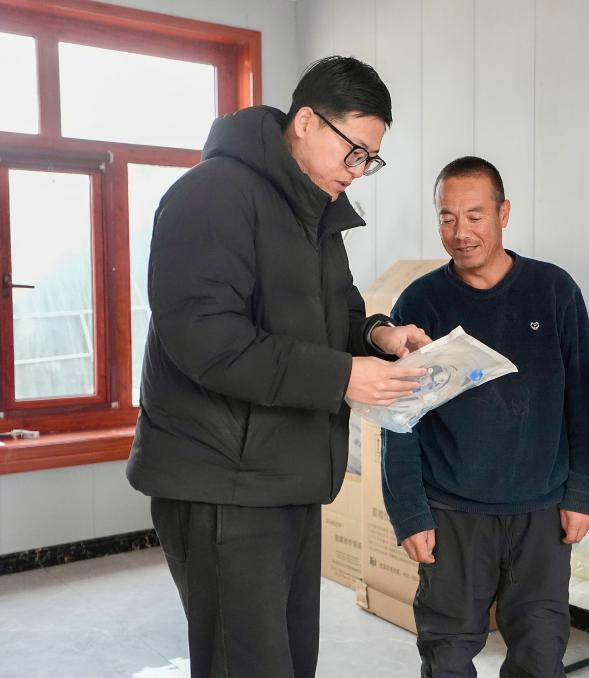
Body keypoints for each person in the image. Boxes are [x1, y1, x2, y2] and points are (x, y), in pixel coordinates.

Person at [126, 56, 430, 678]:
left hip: (287, 474)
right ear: (307, 122)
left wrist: (379, 335)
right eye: (353, 151)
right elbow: (207, 341)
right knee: (244, 663)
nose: (359, 170)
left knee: (289, 661)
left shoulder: (314, 212)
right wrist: (343, 376)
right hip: (222, 482)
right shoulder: (212, 195)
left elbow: (340, 315)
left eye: (370, 159)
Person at [382, 156, 589, 677]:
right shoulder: (421, 302)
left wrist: (584, 492)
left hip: (542, 511)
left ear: (504, 213)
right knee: (447, 655)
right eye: (447, 218)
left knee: (540, 653)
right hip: (452, 511)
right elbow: (401, 419)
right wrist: (410, 513)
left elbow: (584, 398)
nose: (460, 232)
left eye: (474, 216)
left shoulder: (554, 291)